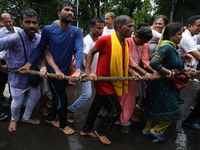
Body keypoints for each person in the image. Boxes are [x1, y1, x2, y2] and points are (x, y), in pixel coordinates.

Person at [20, 1, 83, 135]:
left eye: (72, 10)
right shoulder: (48, 30)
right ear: (59, 13)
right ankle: (63, 124)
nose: (71, 12)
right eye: (67, 10)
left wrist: (77, 70)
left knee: (57, 96)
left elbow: (79, 49)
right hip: (52, 72)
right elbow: (41, 49)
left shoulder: (76, 31)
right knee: (62, 98)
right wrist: (29, 64)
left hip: (65, 71)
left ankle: (50, 118)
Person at [80, 15, 135, 145]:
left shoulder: (125, 43)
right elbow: (91, 53)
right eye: (130, 26)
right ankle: (101, 131)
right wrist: (88, 72)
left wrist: (132, 72)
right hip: (103, 81)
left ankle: (86, 129)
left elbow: (124, 62)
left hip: (114, 81)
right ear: (120, 27)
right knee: (115, 110)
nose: (133, 29)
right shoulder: (105, 40)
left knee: (96, 106)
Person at [142, 23, 192, 142]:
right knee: (174, 111)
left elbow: (169, 62)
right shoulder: (168, 47)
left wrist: (183, 59)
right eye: (179, 34)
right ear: (170, 35)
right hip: (161, 85)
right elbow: (154, 63)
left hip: (159, 85)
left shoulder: (170, 47)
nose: (181, 37)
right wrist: (169, 73)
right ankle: (155, 131)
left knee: (155, 106)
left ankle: (146, 129)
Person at [0, 8, 41, 131]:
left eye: (34, 22)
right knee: (17, 102)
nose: (31, 25)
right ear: (20, 23)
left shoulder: (39, 38)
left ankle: (26, 117)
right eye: (27, 22)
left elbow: (45, 54)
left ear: (38, 23)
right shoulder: (13, 38)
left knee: (35, 97)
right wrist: (0, 66)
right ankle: (14, 119)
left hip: (34, 76)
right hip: (17, 78)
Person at [117, 27, 159, 126]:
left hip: (136, 74)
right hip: (124, 71)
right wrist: (145, 73)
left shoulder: (144, 43)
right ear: (136, 36)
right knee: (122, 96)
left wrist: (154, 71)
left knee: (132, 96)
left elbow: (145, 59)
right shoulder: (127, 41)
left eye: (145, 42)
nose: (142, 44)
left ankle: (125, 117)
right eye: (141, 41)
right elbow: (128, 59)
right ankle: (119, 117)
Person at [67, 17, 104, 123]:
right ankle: (71, 109)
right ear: (91, 27)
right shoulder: (87, 40)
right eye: (98, 28)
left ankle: (97, 109)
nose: (100, 31)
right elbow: (82, 57)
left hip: (95, 72)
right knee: (87, 94)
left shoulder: (98, 39)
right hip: (86, 72)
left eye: (102, 28)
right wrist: (89, 72)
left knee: (101, 93)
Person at [0, 13, 22, 106]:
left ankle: (15, 99)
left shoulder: (19, 30)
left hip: (20, 60)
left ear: (12, 20)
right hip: (6, 60)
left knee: (19, 81)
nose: (8, 24)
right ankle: (8, 100)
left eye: (9, 21)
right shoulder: (1, 33)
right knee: (7, 81)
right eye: (5, 22)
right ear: (2, 22)